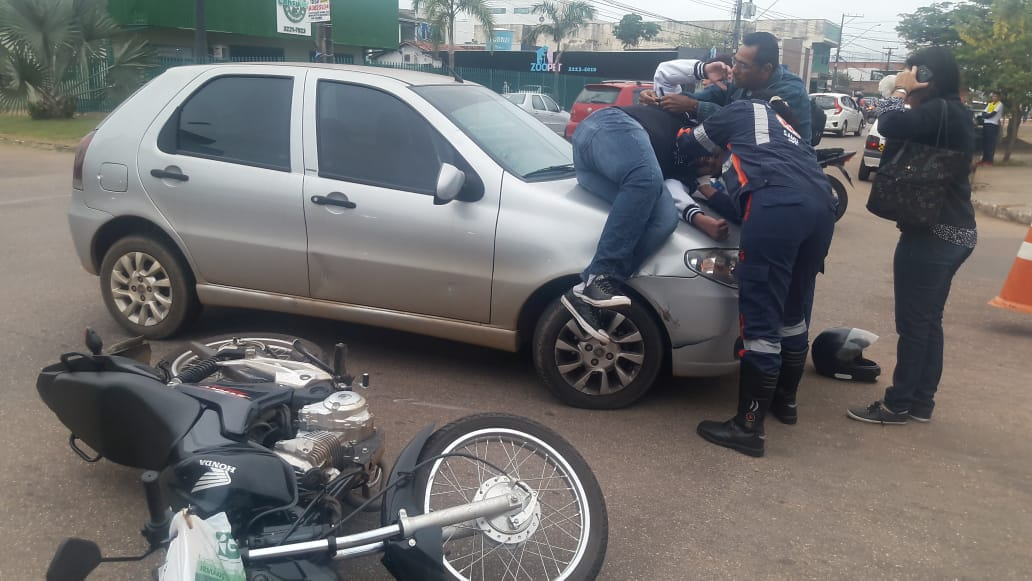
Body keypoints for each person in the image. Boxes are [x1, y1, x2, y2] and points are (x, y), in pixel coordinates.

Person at [677, 98, 836, 457]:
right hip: (820, 207)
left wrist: (686, 138)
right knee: (792, 312)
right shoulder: (783, 136)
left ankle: (748, 428)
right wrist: (707, 187)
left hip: (779, 207)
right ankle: (785, 403)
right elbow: (747, 205)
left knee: (760, 319)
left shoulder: (740, 110)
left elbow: (687, 144)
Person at [847, 47, 976, 425]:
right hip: (954, 230)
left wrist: (899, 91)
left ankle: (898, 404)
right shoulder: (952, 110)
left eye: (910, 70)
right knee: (927, 321)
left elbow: (886, 123)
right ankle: (920, 402)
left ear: (926, 75)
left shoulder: (939, 110)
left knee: (915, 323)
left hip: (933, 234)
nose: (903, 75)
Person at [563, 97, 730, 341]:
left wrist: (703, 217)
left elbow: (677, 196)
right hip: (608, 126)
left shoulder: (680, 175)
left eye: (712, 166)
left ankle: (589, 290)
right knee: (647, 180)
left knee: (664, 220)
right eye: (714, 155)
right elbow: (672, 83)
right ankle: (600, 276)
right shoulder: (691, 128)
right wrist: (703, 72)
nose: (708, 160)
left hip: (596, 170)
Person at [640, 32, 814, 145]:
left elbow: (747, 122)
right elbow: (702, 97)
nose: (735, 69)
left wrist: (693, 107)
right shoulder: (740, 83)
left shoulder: (790, 92)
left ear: (766, 69)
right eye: (735, 60)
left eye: (743, 65)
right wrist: (661, 100)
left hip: (787, 168)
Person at [979, 92, 1003, 166]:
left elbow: (992, 114)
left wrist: (986, 115)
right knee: (985, 143)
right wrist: (986, 115)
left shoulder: (999, 104)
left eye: (995, 96)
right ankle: (984, 159)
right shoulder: (990, 104)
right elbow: (984, 113)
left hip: (993, 125)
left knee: (990, 143)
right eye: (993, 96)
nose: (994, 98)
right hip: (986, 124)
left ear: (998, 97)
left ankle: (989, 160)